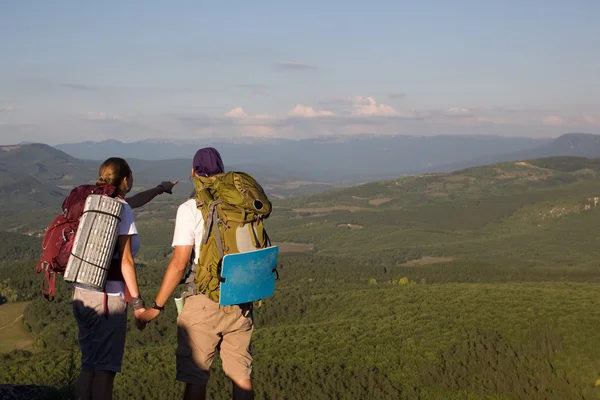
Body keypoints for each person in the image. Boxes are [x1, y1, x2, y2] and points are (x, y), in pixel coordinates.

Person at [140, 147, 255, 400]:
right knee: (241, 377)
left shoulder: (190, 208)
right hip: (240, 298)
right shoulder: (240, 206)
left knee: (196, 378)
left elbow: (179, 263)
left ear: (193, 173)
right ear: (222, 172)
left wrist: (156, 307)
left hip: (204, 301)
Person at [73, 157, 178, 400]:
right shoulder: (123, 209)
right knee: (105, 369)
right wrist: (139, 305)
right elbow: (126, 261)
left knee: (89, 365)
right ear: (125, 180)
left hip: (82, 292)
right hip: (108, 298)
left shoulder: (96, 201)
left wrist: (160, 189)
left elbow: (132, 201)